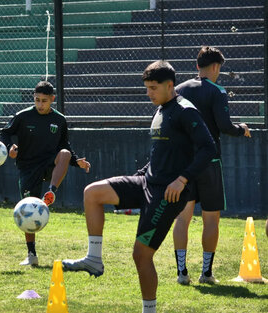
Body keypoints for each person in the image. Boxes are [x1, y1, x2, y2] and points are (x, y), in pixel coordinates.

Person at [62, 61, 216, 313]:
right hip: (146, 182)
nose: (148, 93)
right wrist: (141, 175)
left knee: (141, 256)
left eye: (153, 88)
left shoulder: (186, 111)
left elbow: (209, 149)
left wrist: (182, 179)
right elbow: (162, 152)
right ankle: (93, 259)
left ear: (170, 85)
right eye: (146, 88)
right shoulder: (160, 109)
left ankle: (149, 311)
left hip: (168, 193)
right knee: (92, 193)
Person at [172, 46, 251, 285]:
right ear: (216, 67)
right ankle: (206, 274)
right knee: (211, 220)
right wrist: (242, 129)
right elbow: (225, 125)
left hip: (183, 164)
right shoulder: (217, 91)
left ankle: (181, 273)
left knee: (182, 219)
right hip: (209, 163)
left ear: (198, 66)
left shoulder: (178, 90)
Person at [0, 81, 91, 266]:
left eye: (44, 101)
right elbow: (5, 133)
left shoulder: (60, 120)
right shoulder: (22, 116)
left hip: (49, 164)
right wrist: (11, 147)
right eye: (37, 100)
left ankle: (51, 192)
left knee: (64, 154)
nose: (40, 104)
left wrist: (76, 161)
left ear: (52, 99)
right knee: (27, 209)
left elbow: (64, 146)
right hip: (28, 168)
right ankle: (31, 255)